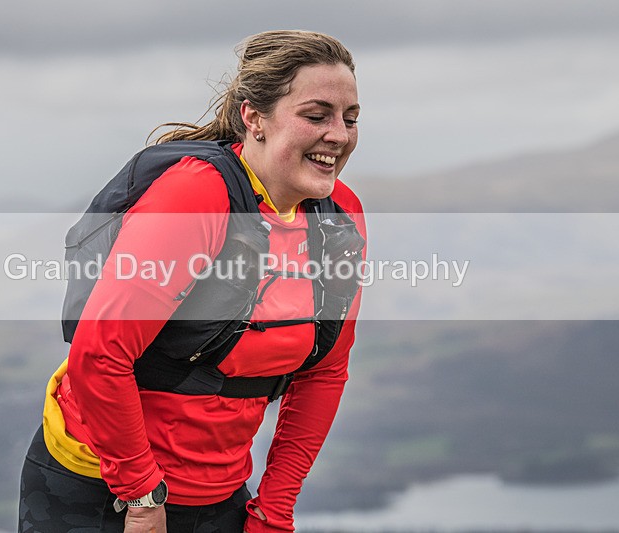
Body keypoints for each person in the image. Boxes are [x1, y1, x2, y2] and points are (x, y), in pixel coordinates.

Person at [19, 29, 367, 533]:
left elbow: (324, 373)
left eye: (350, 118)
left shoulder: (341, 216)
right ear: (254, 118)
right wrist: (141, 497)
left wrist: (274, 510)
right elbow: (100, 354)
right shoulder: (196, 196)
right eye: (316, 116)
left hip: (218, 491)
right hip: (101, 485)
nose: (338, 134)